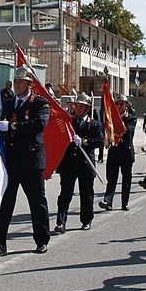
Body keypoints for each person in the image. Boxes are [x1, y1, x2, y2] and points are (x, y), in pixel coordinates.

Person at [0, 66, 51, 258]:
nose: (17, 85)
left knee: (36, 202)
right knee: (4, 204)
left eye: (21, 82)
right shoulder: (7, 104)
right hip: (10, 162)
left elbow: (39, 125)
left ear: (30, 85)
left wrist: (12, 126)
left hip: (31, 161)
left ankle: (41, 240)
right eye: (15, 82)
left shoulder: (40, 103)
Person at [54, 93, 102, 233]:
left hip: (85, 164)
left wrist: (85, 141)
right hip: (69, 164)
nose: (78, 108)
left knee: (86, 194)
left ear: (87, 108)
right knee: (65, 194)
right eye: (76, 105)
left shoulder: (94, 123)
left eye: (81, 106)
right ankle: (61, 222)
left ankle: (86, 220)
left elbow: (100, 140)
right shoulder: (69, 122)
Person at [99, 94, 137, 211]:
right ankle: (108, 201)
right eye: (117, 104)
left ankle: (124, 202)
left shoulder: (131, 118)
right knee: (111, 178)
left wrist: (118, 121)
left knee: (126, 179)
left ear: (126, 106)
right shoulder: (110, 119)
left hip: (126, 152)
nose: (119, 106)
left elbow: (128, 132)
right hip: (114, 152)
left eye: (122, 104)